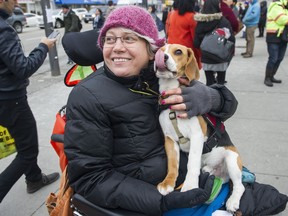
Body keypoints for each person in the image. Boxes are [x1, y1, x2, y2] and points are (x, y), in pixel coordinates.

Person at [64, 5, 240, 215]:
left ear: (151, 51)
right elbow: (90, 178)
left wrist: (213, 97)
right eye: (110, 39)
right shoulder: (87, 97)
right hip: (151, 199)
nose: (117, 47)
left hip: (203, 168)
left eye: (129, 38)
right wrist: (161, 202)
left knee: (261, 200)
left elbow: (228, 108)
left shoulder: (161, 75)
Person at [0, 0, 60, 203]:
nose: (16, 3)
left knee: (23, 140)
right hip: (11, 100)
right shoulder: (4, 30)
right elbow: (23, 68)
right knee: (28, 152)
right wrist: (43, 46)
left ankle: (34, 179)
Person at [194, 0, 235, 86]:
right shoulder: (223, 21)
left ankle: (211, 97)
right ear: (217, 6)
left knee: (209, 82)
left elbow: (196, 43)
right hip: (221, 57)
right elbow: (231, 40)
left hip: (206, 58)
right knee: (220, 83)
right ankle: (221, 97)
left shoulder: (200, 22)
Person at [166, 0, 202, 69]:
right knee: (189, 76)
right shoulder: (192, 17)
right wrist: (200, 55)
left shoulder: (172, 14)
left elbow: (168, 31)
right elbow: (195, 39)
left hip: (172, 51)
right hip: (186, 53)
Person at [264, 0, 288, 87]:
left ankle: (272, 76)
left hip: (283, 37)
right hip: (273, 36)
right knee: (273, 58)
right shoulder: (276, 5)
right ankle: (267, 78)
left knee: (279, 58)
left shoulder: (285, 8)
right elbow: (282, 20)